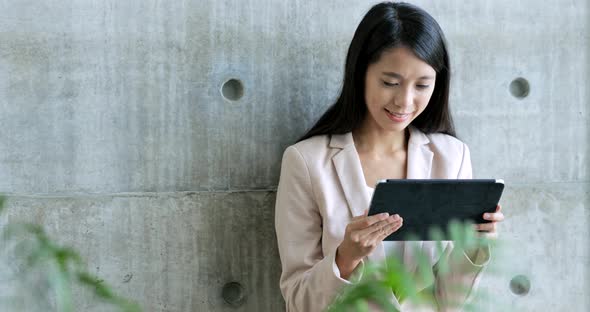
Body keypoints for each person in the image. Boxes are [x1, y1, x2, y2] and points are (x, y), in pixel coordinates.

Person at [274, 2, 505, 312]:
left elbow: (451, 302)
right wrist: (345, 257)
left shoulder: (451, 156)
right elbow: (299, 301)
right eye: (390, 83)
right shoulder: (306, 162)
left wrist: (474, 246)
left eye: (422, 85)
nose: (405, 101)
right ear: (360, 73)